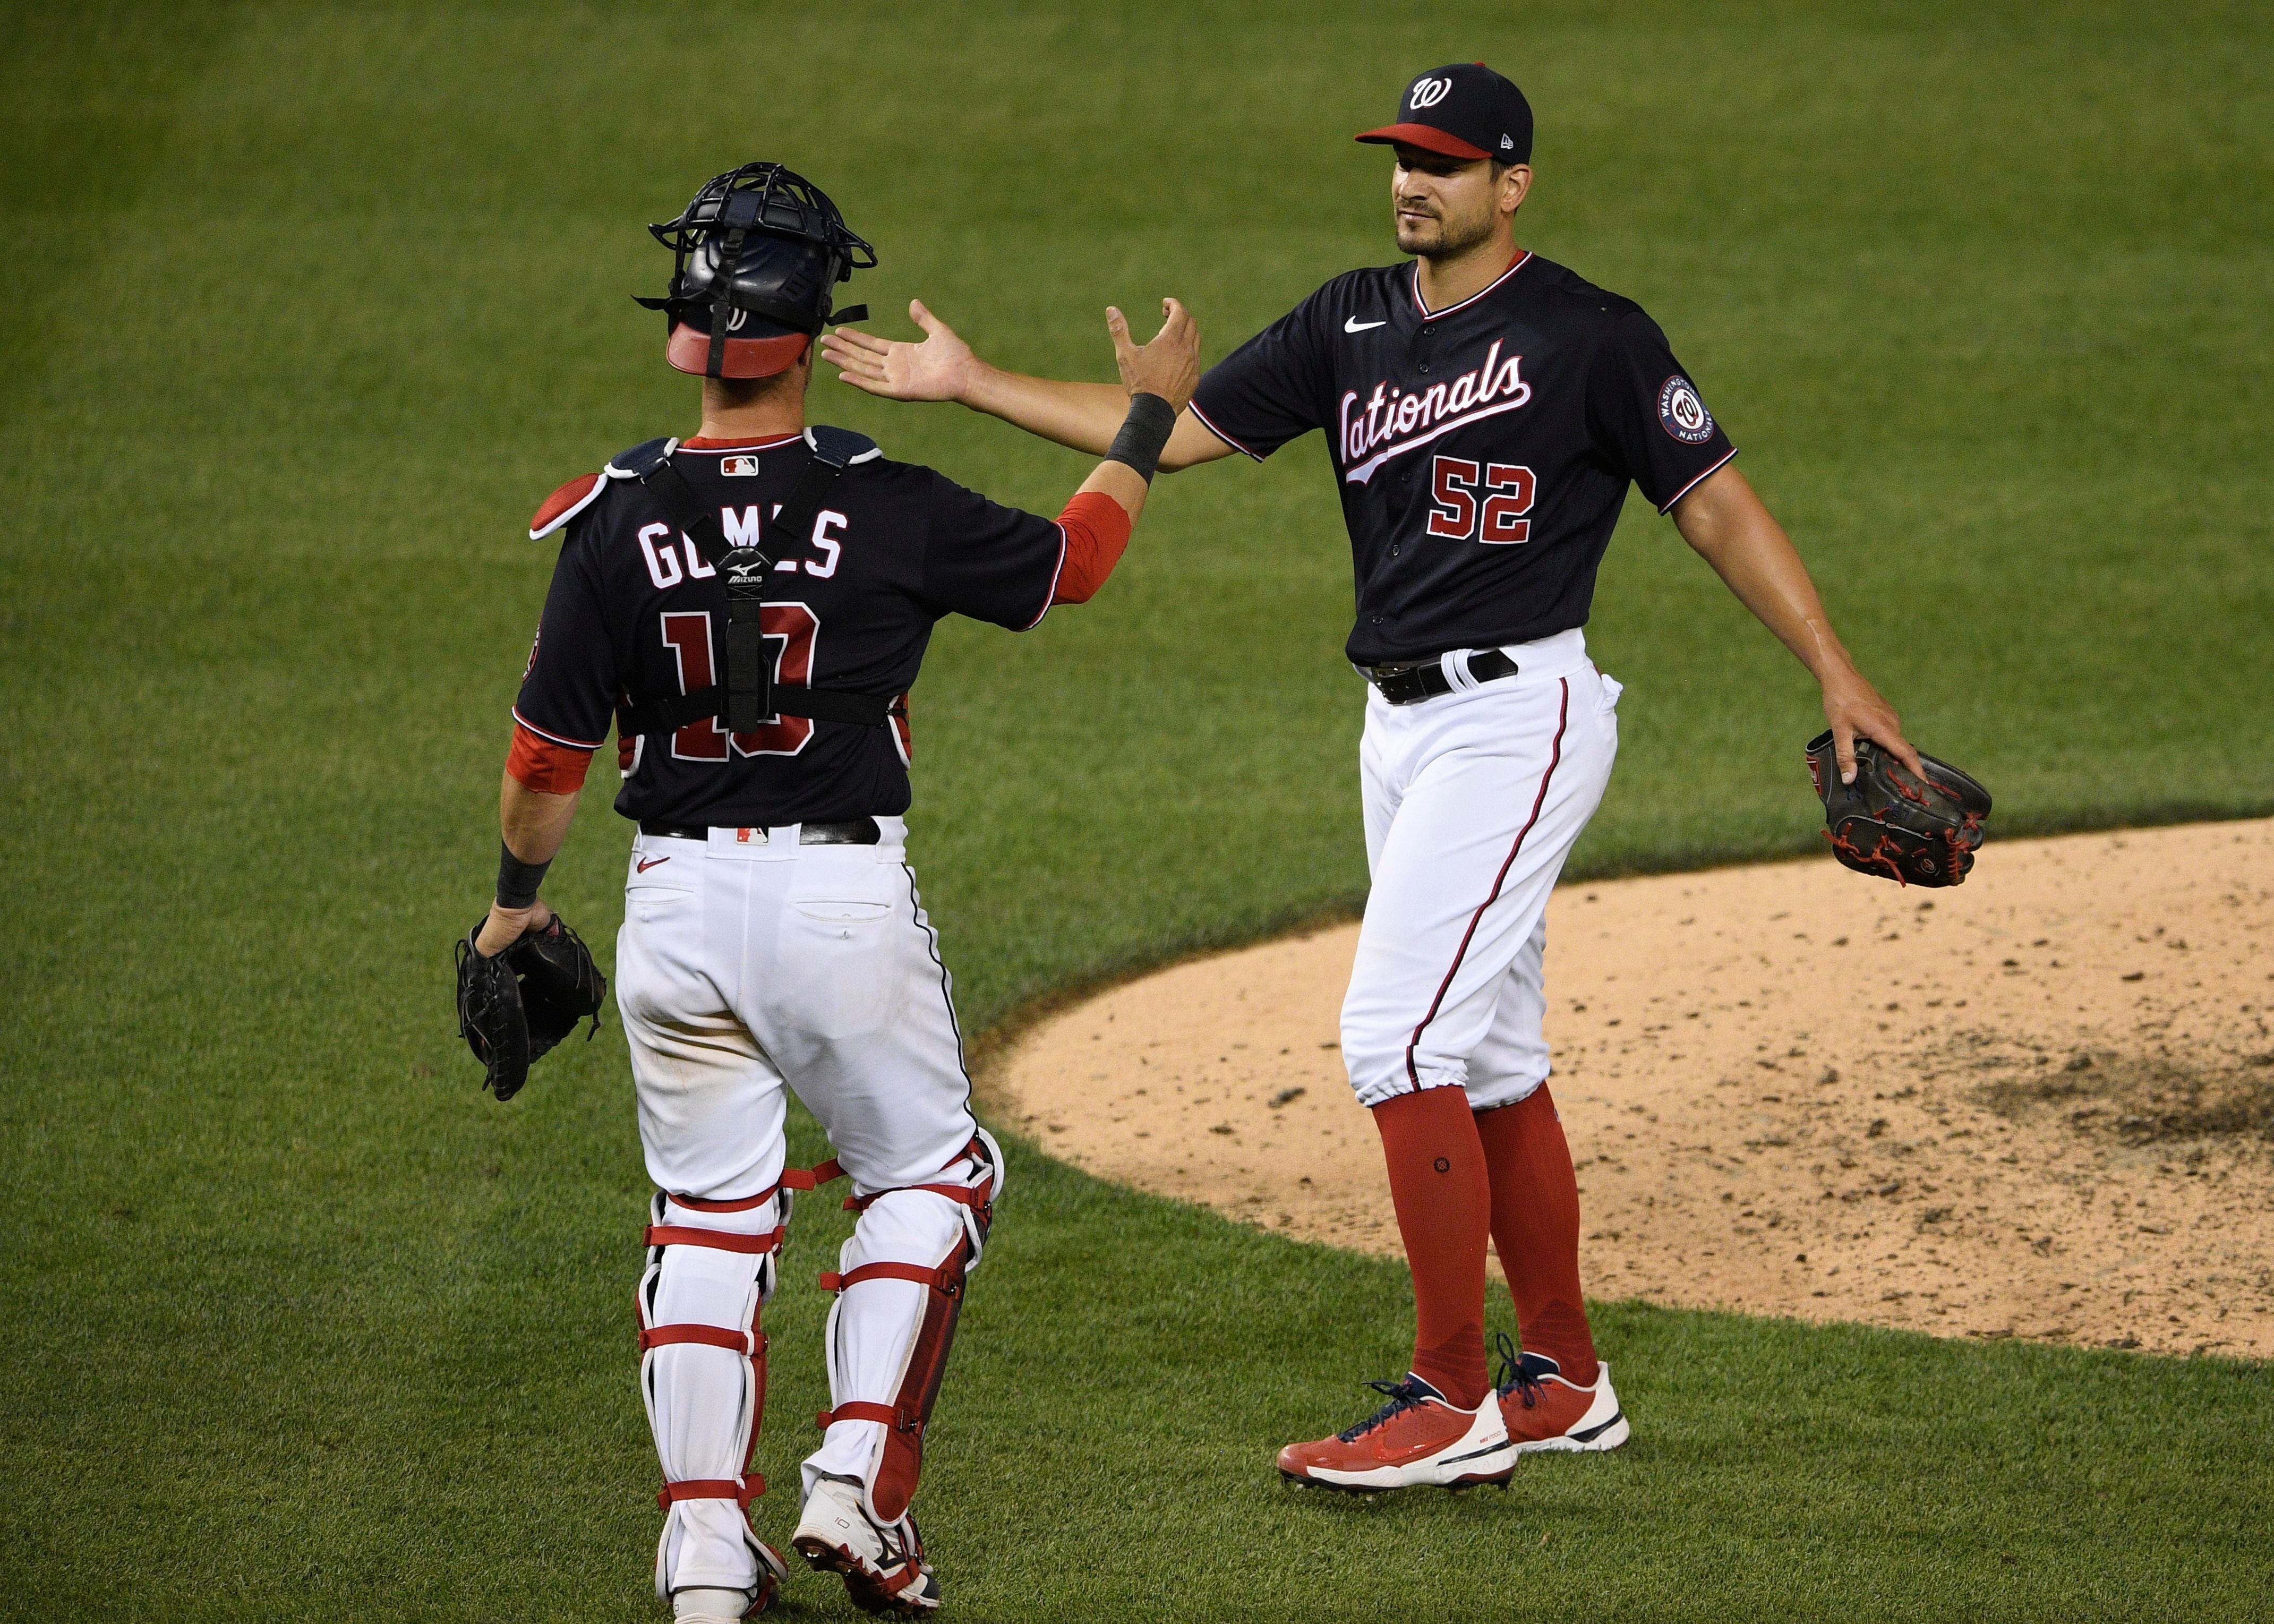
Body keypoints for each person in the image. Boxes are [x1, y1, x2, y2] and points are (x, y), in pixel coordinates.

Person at [820, 65, 1923, 1491]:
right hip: (1398, 730)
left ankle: (1448, 1397)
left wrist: (1833, 667)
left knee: (1396, 1040)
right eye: (1402, 157)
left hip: (1515, 717)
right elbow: (1178, 428)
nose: (1413, 182)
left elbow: (1709, 500)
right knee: (1490, 1056)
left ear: (1510, 184)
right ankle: (1565, 1376)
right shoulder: (1347, 320)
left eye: (1446, 164)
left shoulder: (1592, 334)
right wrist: (969, 383)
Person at [468, 161, 1197, 1616]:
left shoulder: (610, 515)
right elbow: (1075, 563)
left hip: (675, 902)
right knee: (929, 1173)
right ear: (809, 332)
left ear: (684, 327)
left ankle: (699, 1555)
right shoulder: (884, 501)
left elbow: (546, 760)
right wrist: (1148, 415)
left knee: (706, 1215)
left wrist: (510, 911)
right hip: (840, 905)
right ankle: (853, 1487)